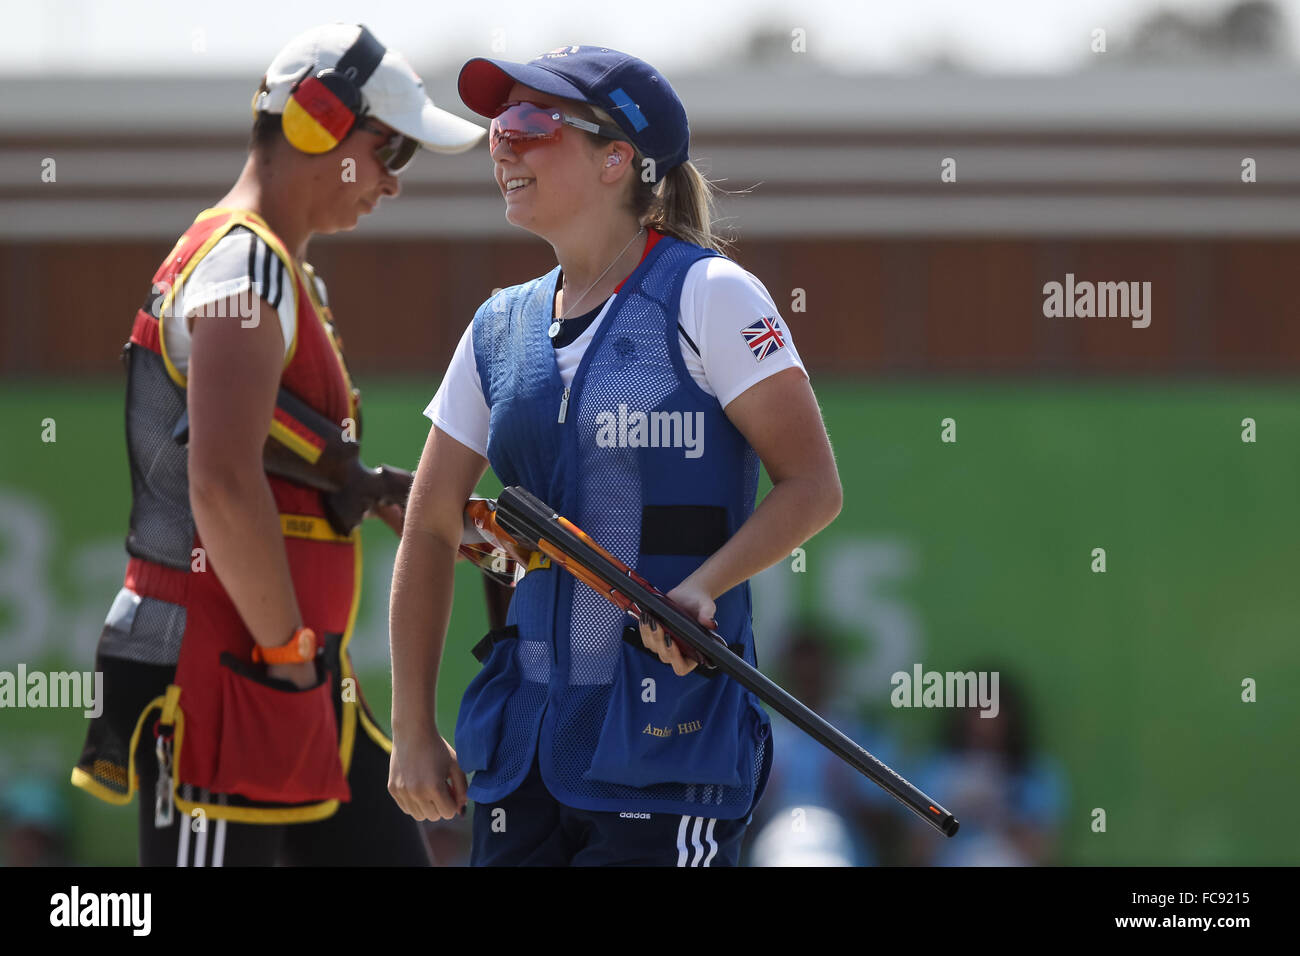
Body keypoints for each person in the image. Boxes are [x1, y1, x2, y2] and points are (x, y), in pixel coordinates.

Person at [387, 45, 842, 866]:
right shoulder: (497, 326)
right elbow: (427, 526)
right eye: (499, 127)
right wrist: (412, 728)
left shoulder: (712, 294)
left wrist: (702, 587)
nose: (503, 144)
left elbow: (812, 487)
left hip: (667, 751)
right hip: (521, 753)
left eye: (529, 124)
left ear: (617, 159)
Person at [70, 22, 484, 866]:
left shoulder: (273, 270)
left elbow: (258, 450)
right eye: (390, 151)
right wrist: (289, 655)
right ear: (318, 124)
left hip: (281, 672)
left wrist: (357, 488)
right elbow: (218, 482)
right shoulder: (243, 270)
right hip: (230, 678)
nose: (392, 184)